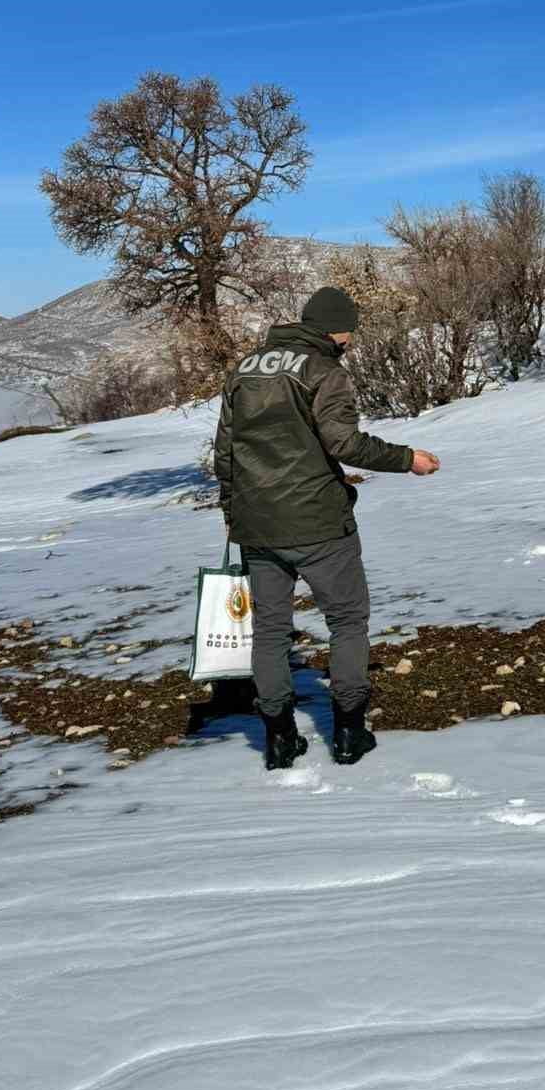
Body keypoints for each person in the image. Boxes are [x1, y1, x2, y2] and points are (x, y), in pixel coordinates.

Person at [214, 286, 440, 769]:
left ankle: (278, 740)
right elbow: (343, 443)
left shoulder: (245, 369)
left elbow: (225, 453)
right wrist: (407, 460)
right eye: (349, 332)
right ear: (331, 329)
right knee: (347, 621)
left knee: (270, 633)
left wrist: (235, 515)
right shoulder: (324, 370)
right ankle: (349, 735)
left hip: (258, 527)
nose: (351, 341)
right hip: (319, 524)